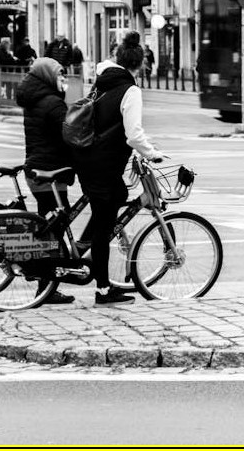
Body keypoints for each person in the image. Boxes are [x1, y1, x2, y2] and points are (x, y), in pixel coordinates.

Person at [72, 31, 165, 306]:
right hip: (103, 163)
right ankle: (102, 290)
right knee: (104, 225)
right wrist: (152, 153)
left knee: (116, 198)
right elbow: (133, 135)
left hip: (89, 158)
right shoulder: (130, 90)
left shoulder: (103, 80)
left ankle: (81, 248)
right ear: (140, 64)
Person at [15, 57, 77, 305]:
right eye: (60, 76)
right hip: (50, 172)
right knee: (55, 229)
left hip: (39, 169)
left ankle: (46, 283)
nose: (64, 80)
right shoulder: (52, 104)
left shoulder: (36, 99)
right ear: (49, 78)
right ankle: (46, 286)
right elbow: (69, 135)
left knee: (50, 223)